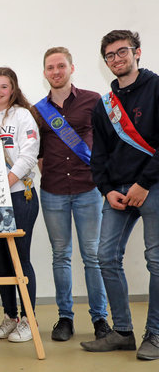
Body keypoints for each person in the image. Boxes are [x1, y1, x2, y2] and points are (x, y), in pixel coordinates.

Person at [80, 30, 159, 361]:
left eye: (121, 52)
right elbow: (99, 156)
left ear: (137, 52)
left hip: (153, 186)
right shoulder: (104, 106)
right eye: (109, 55)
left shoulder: (157, 88)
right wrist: (107, 189)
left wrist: (144, 182)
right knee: (105, 256)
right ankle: (123, 332)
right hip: (118, 194)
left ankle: (155, 334)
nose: (116, 59)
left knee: (156, 260)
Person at [32, 47, 110, 342]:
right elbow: (37, 152)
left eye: (61, 66)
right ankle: (65, 317)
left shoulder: (93, 100)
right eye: (50, 67)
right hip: (53, 191)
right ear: (44, 73)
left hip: (88, 189)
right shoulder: (38, 110)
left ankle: (100, 319)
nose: (56, 71)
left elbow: (107, 142)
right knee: (60, 256)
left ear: (71, 68)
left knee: (92, 256)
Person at [0, 67, 39, 343]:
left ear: (13, 89)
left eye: (4, 86)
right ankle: (10, 316)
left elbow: (28, 155)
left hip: (19, 196)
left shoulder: (23, 115)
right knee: (0, 259)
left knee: (20, 258)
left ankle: (29, 319)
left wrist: (7, 180)